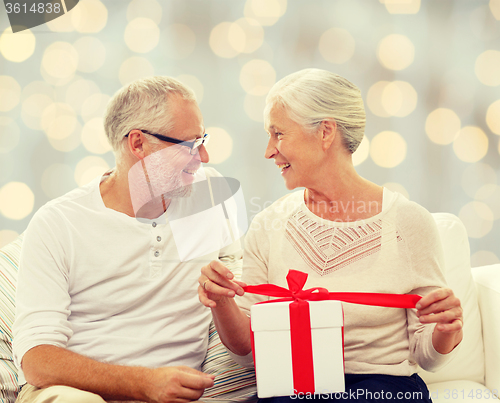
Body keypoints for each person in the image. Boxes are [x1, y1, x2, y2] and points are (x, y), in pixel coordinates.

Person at [198, 68, 463, 402]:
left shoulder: (408, 223)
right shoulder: (269, 225)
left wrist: (446, 329)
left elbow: (427, 355)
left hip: (381, 391)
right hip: (294, 391)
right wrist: (220, 301)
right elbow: (248, 352)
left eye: (279, 134)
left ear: (325, 133)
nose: (268, 151)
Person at [13, 76, 242, 403]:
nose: (203, 157)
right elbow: (37, 360)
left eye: (202, 140)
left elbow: (243, 323)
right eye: (190, 145)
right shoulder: (58, 223)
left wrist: (222, 297)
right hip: (75, 393)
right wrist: (144, 383)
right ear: (138, 144)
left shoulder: (210, 195)